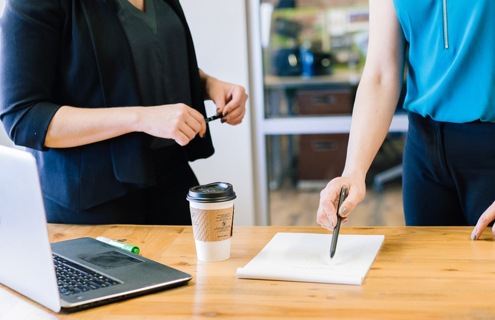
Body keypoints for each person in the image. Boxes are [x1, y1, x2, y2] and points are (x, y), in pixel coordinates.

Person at [0, 0, 248, 225]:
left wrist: (209, 85)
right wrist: (141, 118)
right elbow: (23, 117)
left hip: (171, 175)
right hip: (93, 196)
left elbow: (140, 58)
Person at [316, 0, 495, 240]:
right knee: (428, 274)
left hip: (489, 144)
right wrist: (353, 172)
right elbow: (381, 73)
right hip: (424, 149)